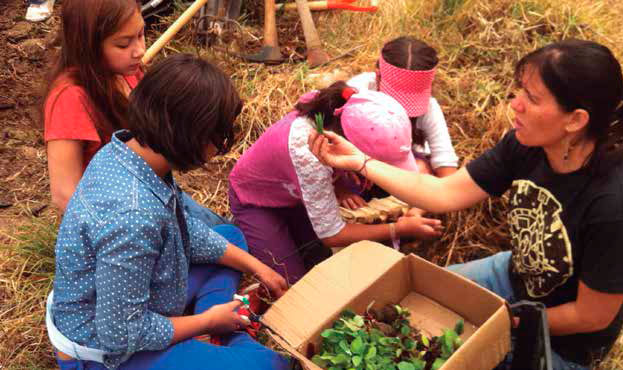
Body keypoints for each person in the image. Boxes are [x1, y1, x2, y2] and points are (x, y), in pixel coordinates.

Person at [310, 39, 623, 369]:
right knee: (415, 305)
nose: (514, 103)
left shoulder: (617, 208)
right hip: (513, 274)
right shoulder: (526, 145)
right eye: (519, 89)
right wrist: (361, 162)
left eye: (531, 98)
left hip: (563, 341)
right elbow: (442, 193)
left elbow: (592, 315)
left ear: (575, 120)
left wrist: (504, 320)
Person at [46, 54, 291, 370]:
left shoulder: (126, 150)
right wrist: (205, 321)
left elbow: (184, 230)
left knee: (230, 237)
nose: (216, 150)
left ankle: (224, 326)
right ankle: (224, 330)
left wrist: (258, 267)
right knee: (268, 364)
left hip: (136, 297)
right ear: (189, 134)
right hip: (103, 350)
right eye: (215, 138)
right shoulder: (133, 216)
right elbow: (120, 334)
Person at [228, 82, 443, 284]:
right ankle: (248, 229)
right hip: (256, 201)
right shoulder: (311, 156)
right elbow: (332, 235)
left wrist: (339, 188)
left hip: (293, 191)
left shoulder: (346, 107)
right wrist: (397, 229)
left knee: (320, 259)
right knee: (291, 284)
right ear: (347, 147)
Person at [42, 0, 226, 226]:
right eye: (123, 44)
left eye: (141, 35)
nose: (140, 50)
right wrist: (122, 231)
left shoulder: (126, 72)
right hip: (118, 217)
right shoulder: (70, 98)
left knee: (227, 232)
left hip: (153, 191)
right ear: (87, 44)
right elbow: (63, 193)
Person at [341, 36, 459, 211]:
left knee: (421, 168)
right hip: (358, 168)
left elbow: (446, 168)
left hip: (402, 172)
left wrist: (422, 207)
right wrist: (340, 189)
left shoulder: (429, 107)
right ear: (378, 74)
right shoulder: (355, 93)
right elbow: (327, 142)